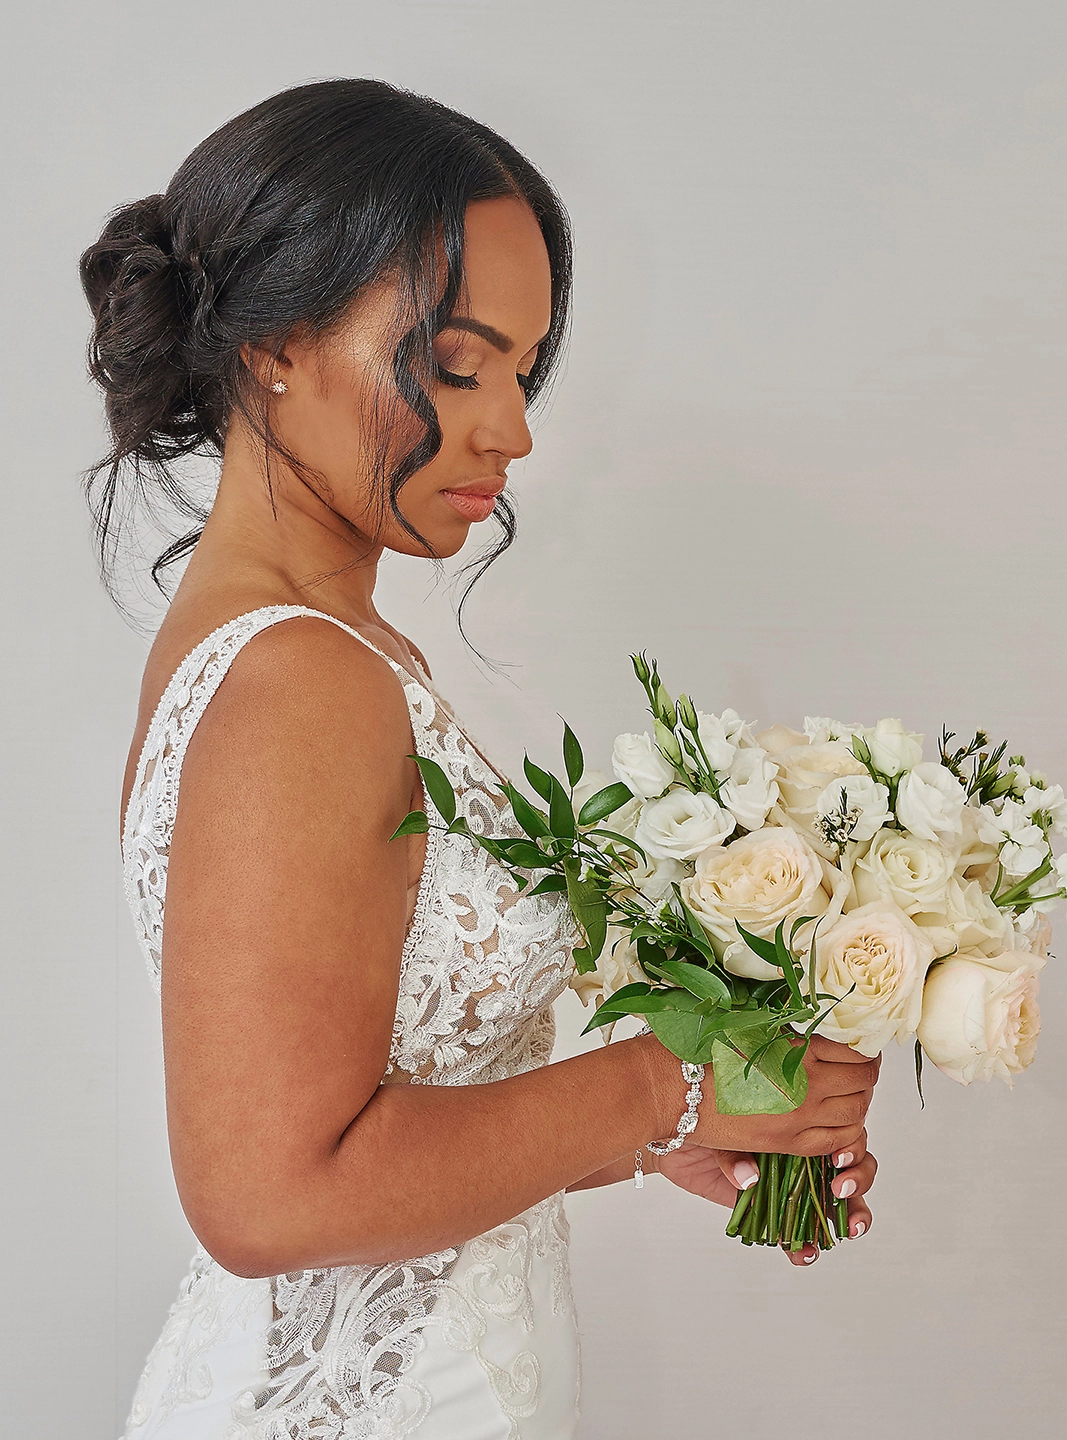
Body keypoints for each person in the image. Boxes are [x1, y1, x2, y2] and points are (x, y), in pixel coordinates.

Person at [82, 78, 880, 1440]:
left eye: (523, 370)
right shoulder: (300, 679)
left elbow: (380, 1106)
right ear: (273, 345)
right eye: (459, 366)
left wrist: (657, 1139)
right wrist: (666, 1083)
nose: (512, 428)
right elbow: (267, 1197)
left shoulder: (319, 648)